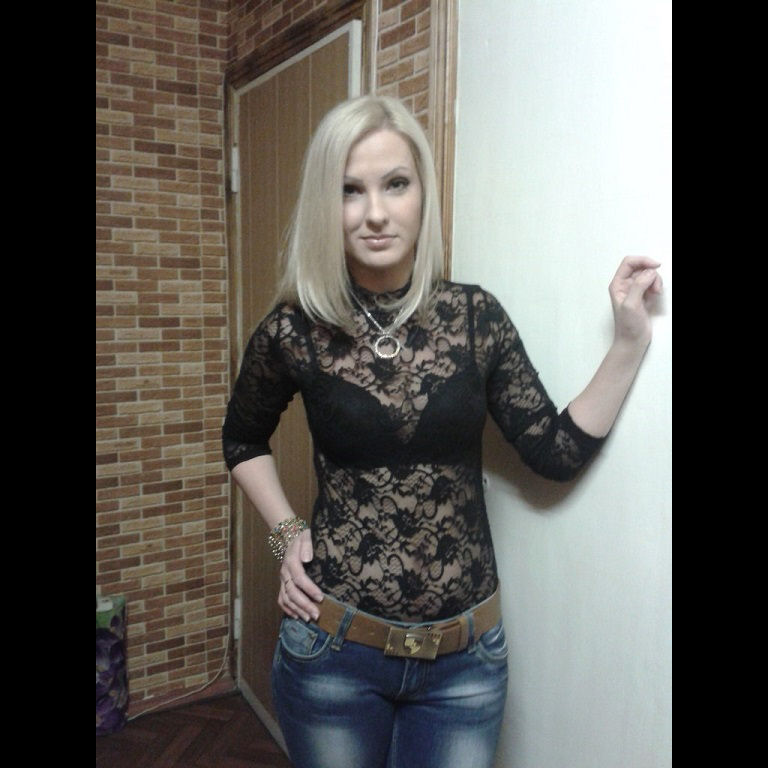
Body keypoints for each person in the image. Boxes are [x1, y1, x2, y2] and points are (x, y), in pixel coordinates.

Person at [222, 94, 662, 768]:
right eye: (349, 190)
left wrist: (629, 341)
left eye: (395, 184)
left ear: (422, 193)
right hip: (333, 652)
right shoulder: (294, 329)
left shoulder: (476, 318)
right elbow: (242, 439)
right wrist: (286, 533)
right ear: (324, 206)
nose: (375, 212)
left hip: (465, 667)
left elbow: (554, 451)